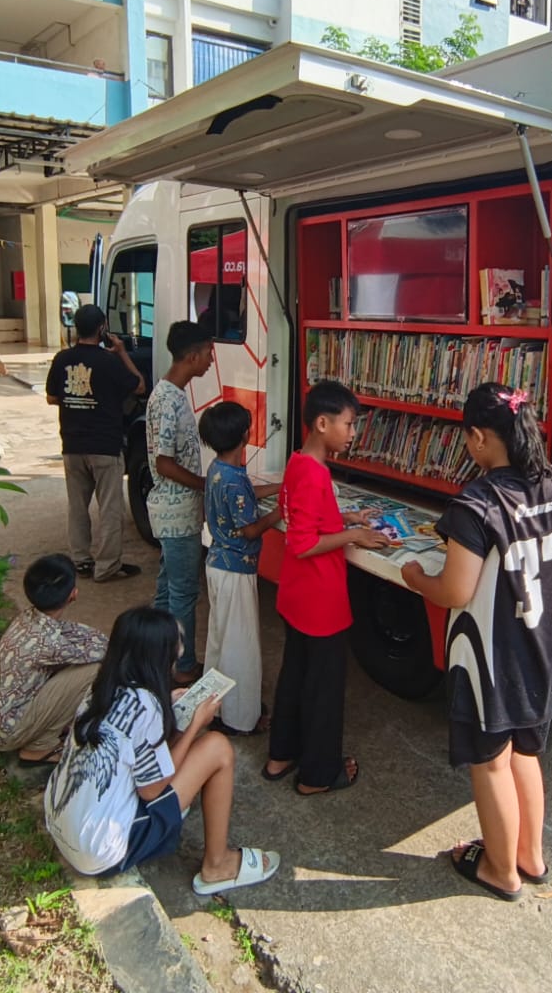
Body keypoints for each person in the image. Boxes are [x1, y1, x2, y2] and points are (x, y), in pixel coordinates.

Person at [401, 385, 552, 901]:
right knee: (527, 753)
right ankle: (530, 856)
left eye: (467, 440)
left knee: (492, 761)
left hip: (492, 658)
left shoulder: (478, 504)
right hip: (545, 649)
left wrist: (416, 578)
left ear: (480, 438)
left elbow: (455, 590)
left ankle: (500, 871)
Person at [45, 605, 283, 893]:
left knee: (187, 749)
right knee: (217, 747)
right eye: (175, 649)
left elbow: (132, 742)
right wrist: (196, 724)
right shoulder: (145, 706)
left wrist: (169, 705)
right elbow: (152, 791)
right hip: (100, 852)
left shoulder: (101, 687)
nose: (179, 654)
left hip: (64, 826)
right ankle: (217, 865)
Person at [262, 380, 390, 795]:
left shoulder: (301, 463)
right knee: (324, 690)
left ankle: (281, 755)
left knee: (296, 676)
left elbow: (308, 518)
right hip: (320, 601)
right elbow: (303, 543)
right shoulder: (315, 475)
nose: (353, 434)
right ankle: (318, 776)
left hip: (297, 597)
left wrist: (347, 518)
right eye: (349, 424)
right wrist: (354, 537)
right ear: (321, 423)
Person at [198, 401, 282, 736]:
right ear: (245, 435)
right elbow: (250, 528)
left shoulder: (221, 470)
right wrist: (280, 512)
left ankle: (216, 708)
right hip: (236, 569)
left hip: (218, 563)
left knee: (220, 641)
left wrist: (280, 488)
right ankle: (240, 718)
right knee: (241, 646)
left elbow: (247, 495)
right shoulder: (233, 479)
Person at [0, 554, 109, 766]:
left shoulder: (28, 618)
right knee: (94, 670)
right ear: (73, 595)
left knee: (76, 665)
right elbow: (102, 651)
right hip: (7, 733)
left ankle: (49, 727)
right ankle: (40, 747)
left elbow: (82, 635)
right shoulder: (49, 643)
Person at [45, 305, 145, 583]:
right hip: (105, 446)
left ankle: (80, 560)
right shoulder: (109, 361)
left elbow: (52, 398)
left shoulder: (62, 358)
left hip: (72, 445)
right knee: (110, 508)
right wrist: (122, 352)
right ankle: (107, 567)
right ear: (102, 328)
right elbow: (139, 386)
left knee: (77, 506)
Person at [146, 321, 216, 683]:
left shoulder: (170, 393)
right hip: (177, 514)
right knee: (184, 593)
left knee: (167, 589)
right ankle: (184, 667)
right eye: (207, 352)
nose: (210, 359)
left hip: (172, 513)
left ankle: (156, 656)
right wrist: (205, 484)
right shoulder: (168, 399)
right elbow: (164, 462)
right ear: (192, 355)